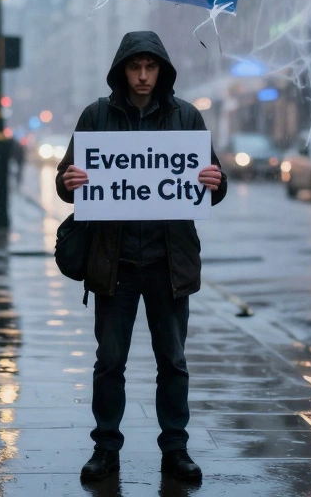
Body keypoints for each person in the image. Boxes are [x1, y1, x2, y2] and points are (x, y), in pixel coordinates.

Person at [55, 31, 227, 485]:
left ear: (163, 70)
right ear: (122, 70)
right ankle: (105, 449)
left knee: (173, 360)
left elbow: (214, 182)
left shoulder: (186, 117)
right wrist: (69, 180)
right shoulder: (96, 116)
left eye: (151, 68)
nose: (144, 77)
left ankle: (176, 450)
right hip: (116, 263)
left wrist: (215, 179)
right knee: (110, 362)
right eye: (136, 68)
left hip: (168, 263)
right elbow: (64, 179)